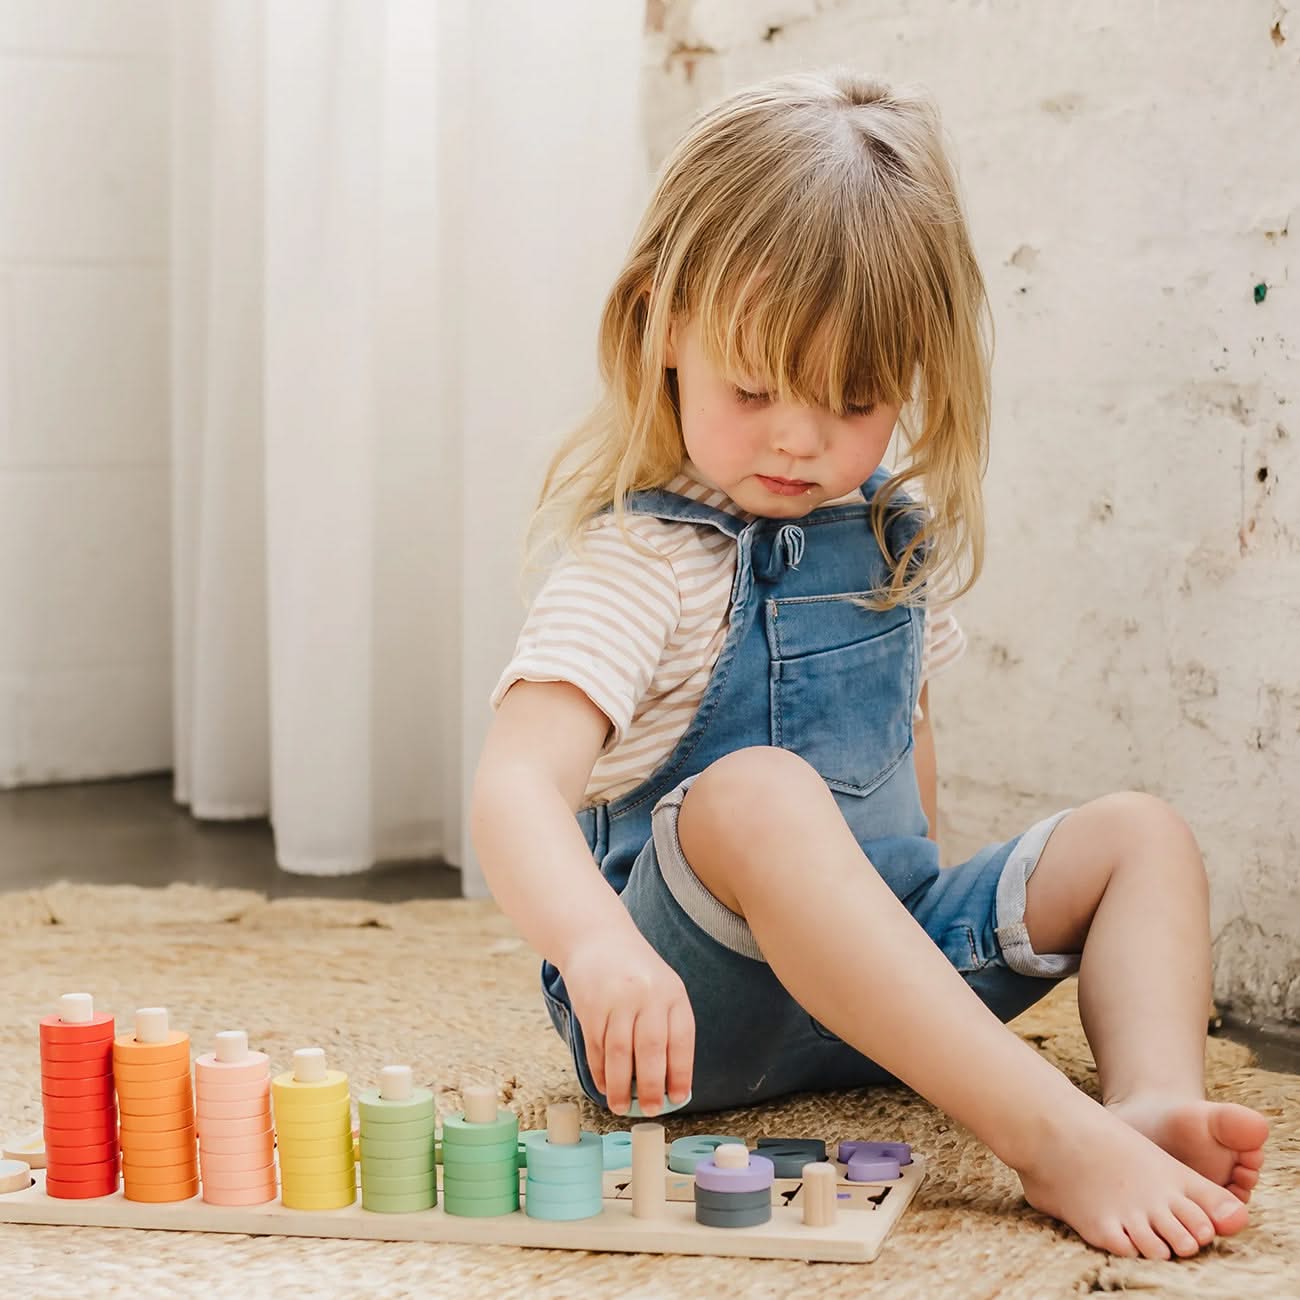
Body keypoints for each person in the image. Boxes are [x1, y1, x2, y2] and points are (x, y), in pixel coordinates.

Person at [470, 69, 1269, 1260]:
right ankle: (1045, 1135)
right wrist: (599, 952)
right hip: (697, 1013)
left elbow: (911, 735)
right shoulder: (644, 561)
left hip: (881, 992)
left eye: (852, 399)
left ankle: (1141, 1098)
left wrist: (906, 953)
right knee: (759, 792)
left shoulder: (891, 531)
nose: (799, 437)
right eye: (755, 388)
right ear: (662, 325)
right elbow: (512, 787)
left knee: (1139, 833)